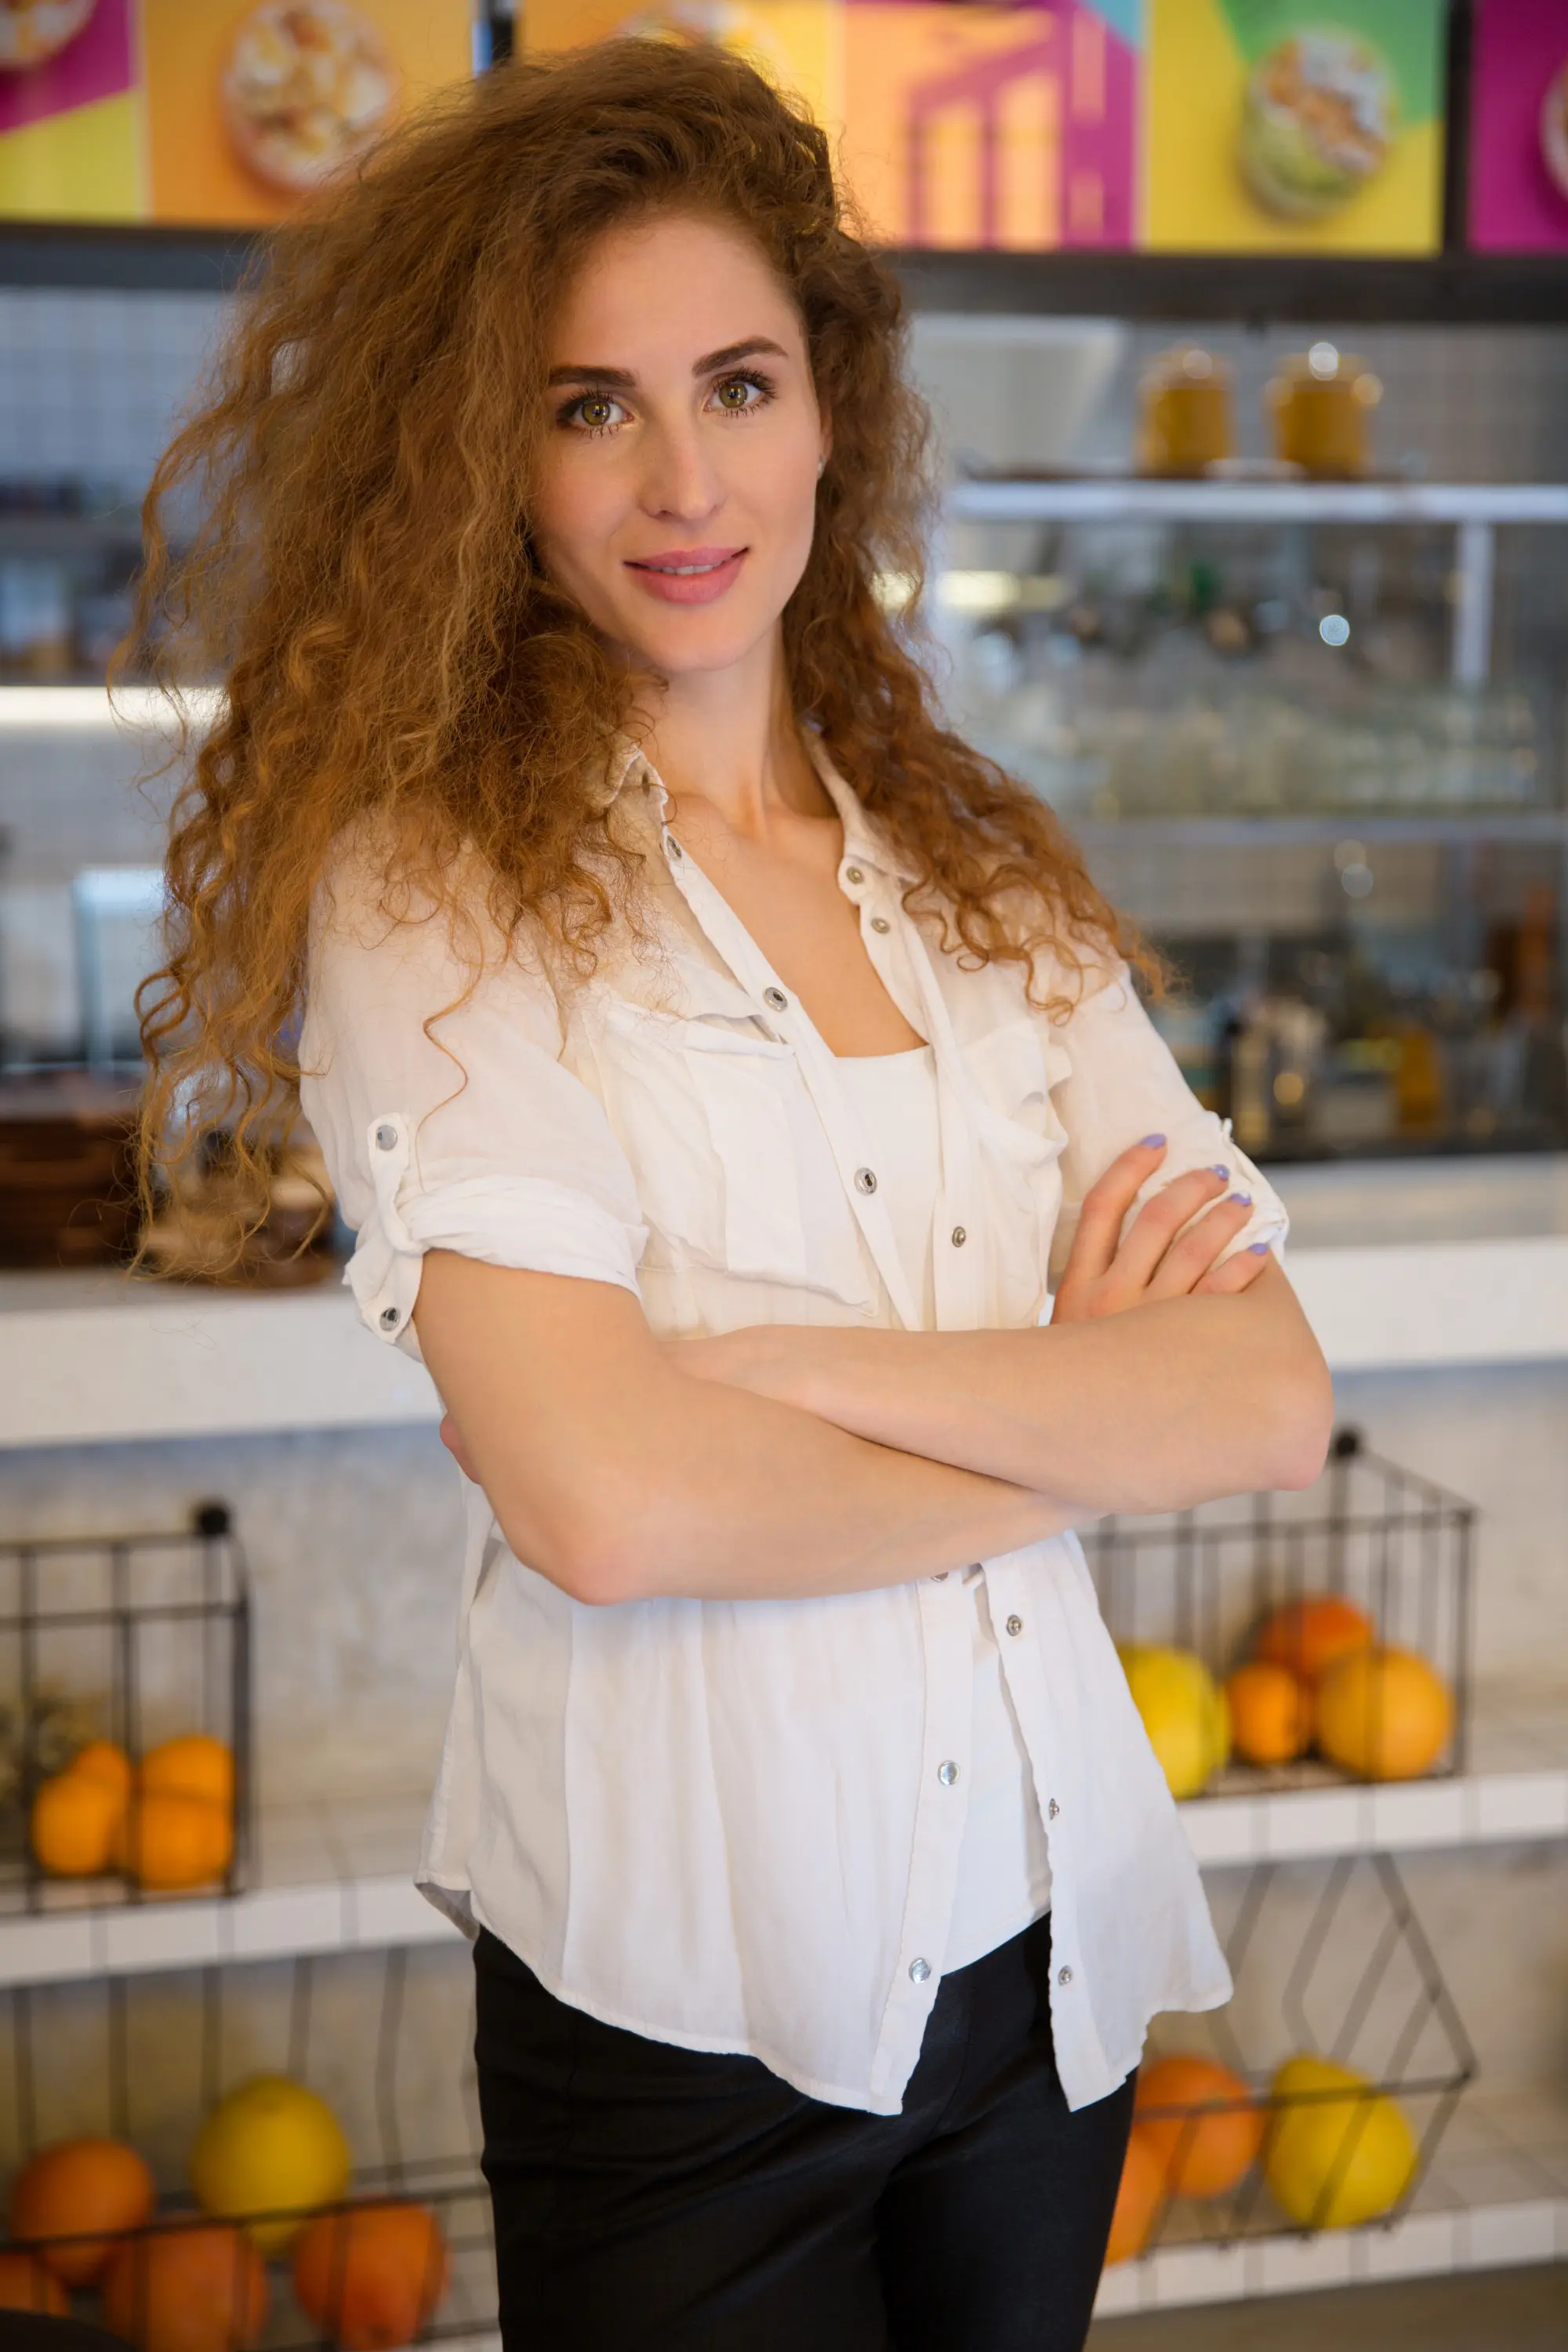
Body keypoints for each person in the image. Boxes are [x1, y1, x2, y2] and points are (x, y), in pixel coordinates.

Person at [132, 41, 1332, 2352]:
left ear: (829, 415)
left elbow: (1267, 1397)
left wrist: (769, 1378)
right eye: (588, 405)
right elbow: (604, 1504)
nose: (683, 479)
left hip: (1043, 1935)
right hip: (693, 1996)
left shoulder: (981, 877)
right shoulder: (442, 894)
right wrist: (1072, 1410)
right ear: (488, 456)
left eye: (738, 382)